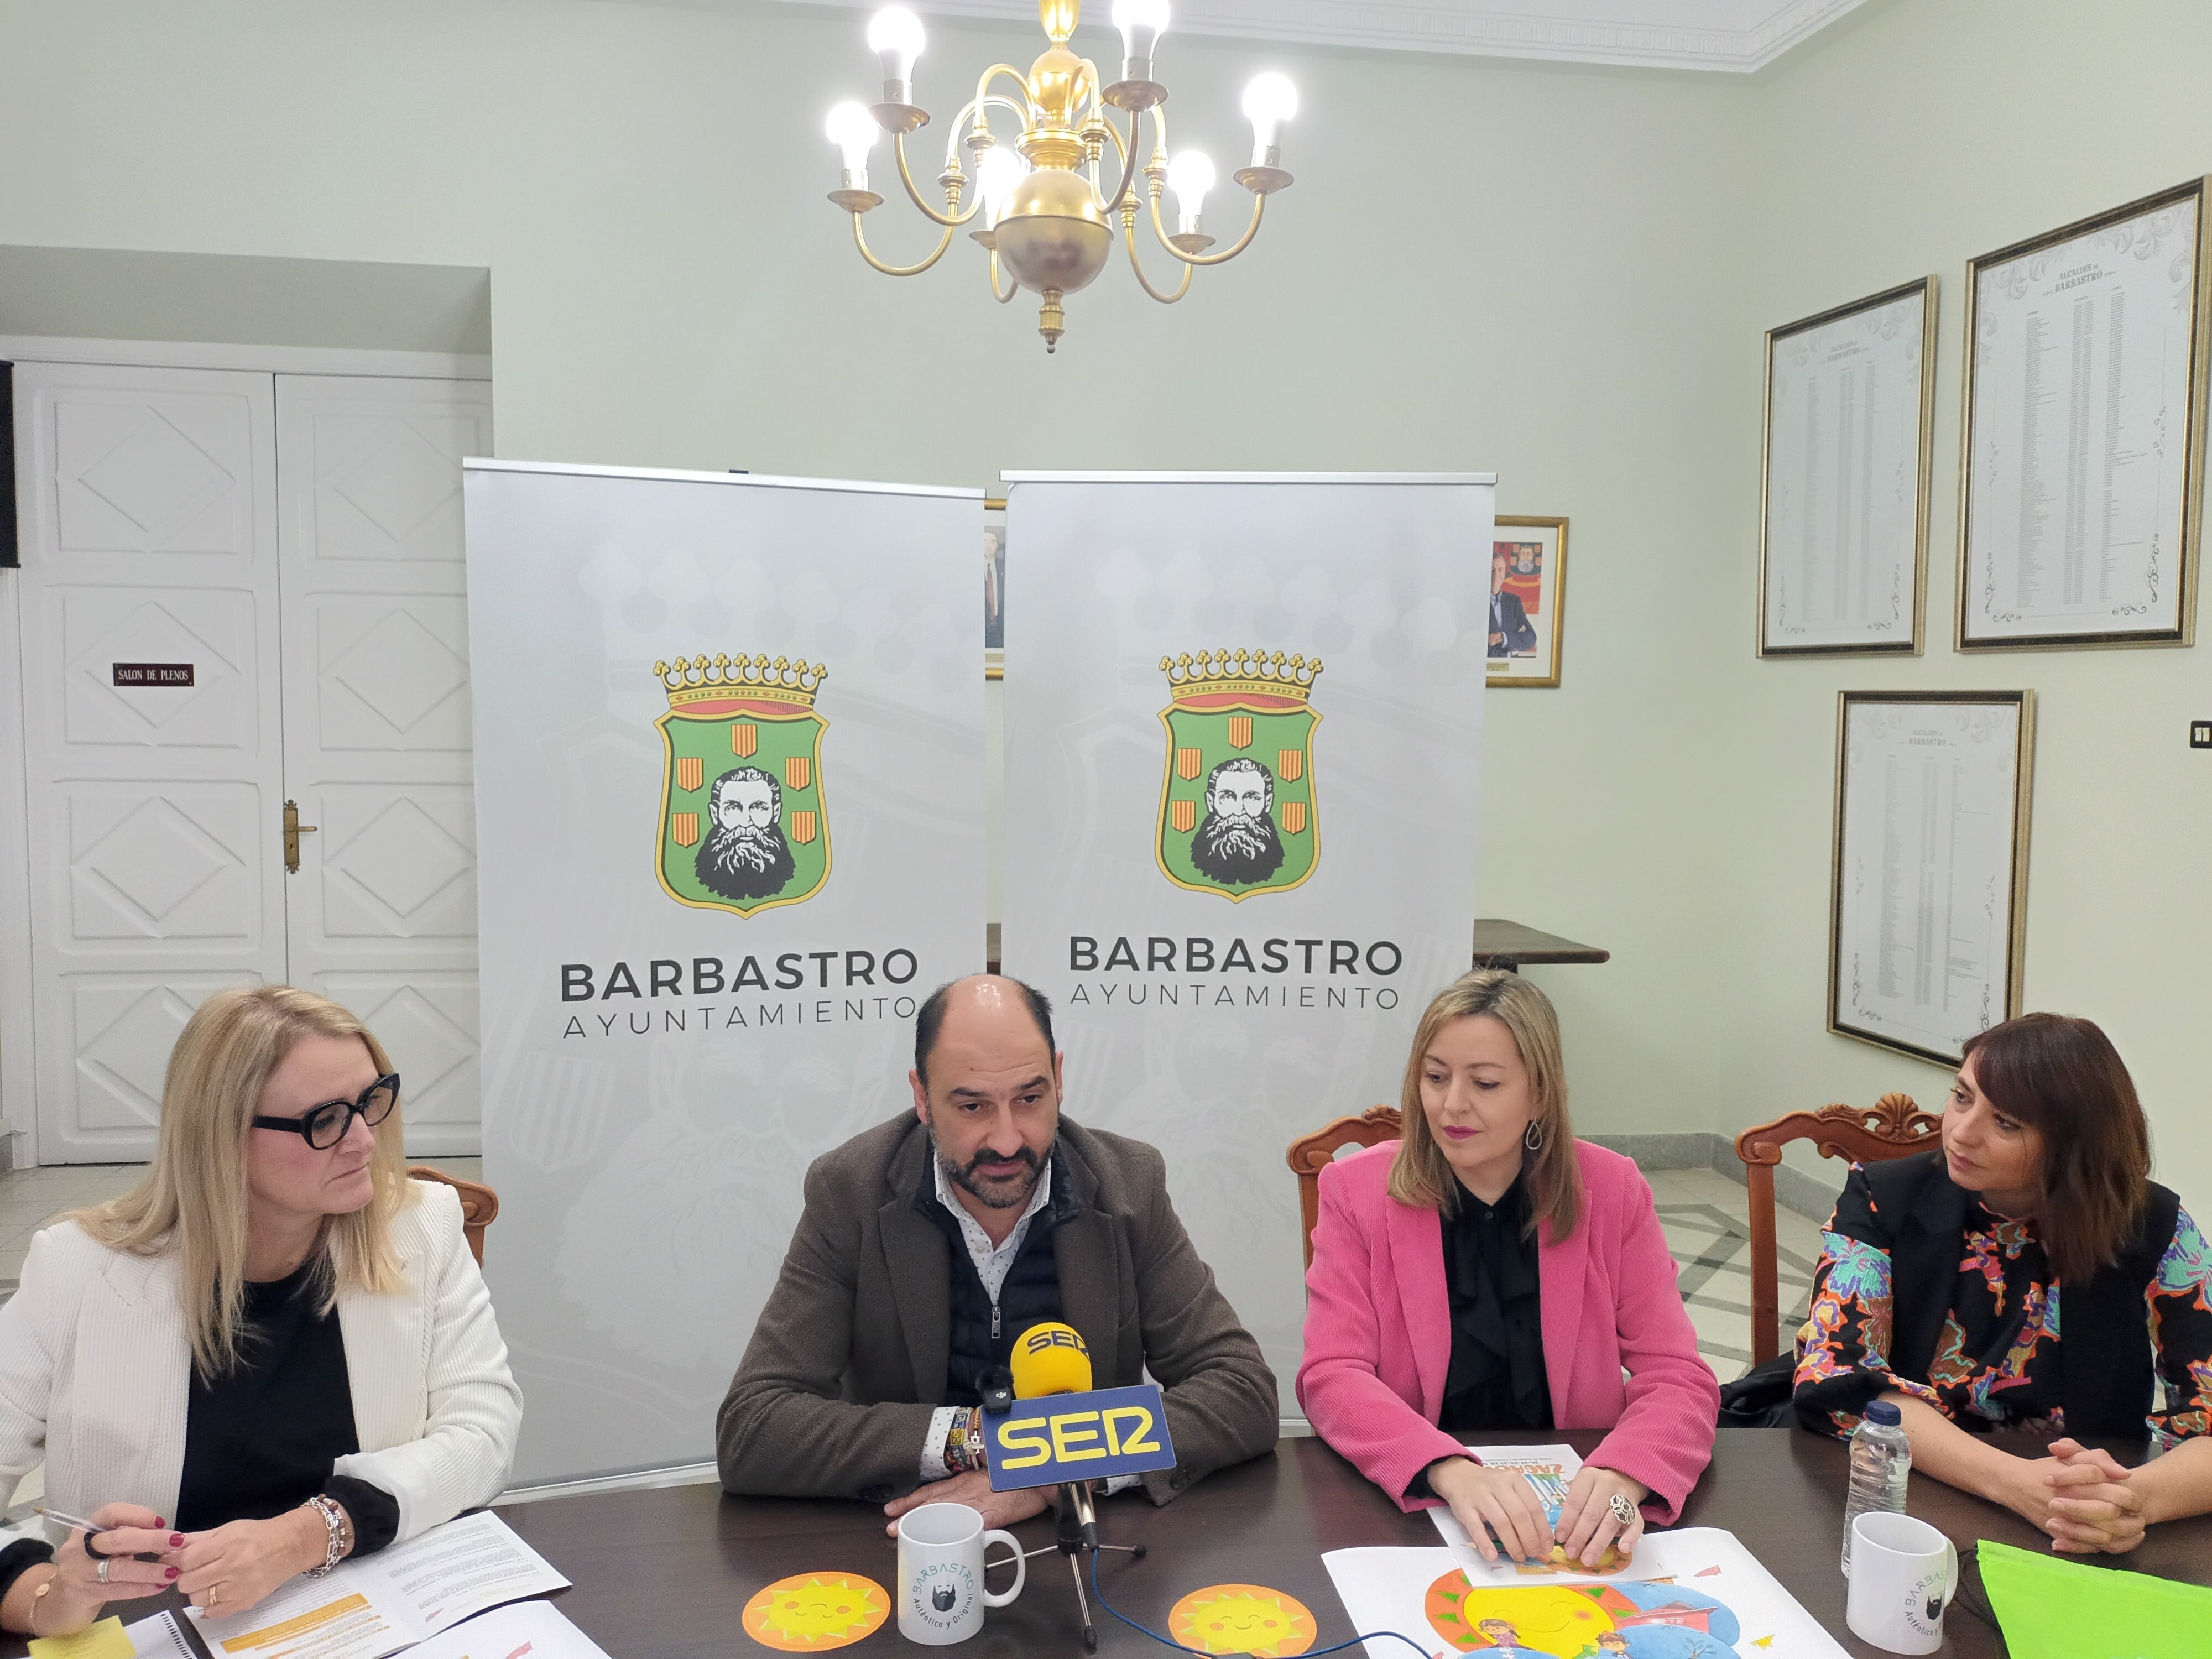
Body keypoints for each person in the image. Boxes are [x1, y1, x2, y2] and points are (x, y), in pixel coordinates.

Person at [0, 987, 522, 1636]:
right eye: (326, 1119)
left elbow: (484, 1434)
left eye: (371, 1101)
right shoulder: (77, 1269)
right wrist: (49, 1597)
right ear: (220, 1137)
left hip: (378, 1613)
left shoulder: (422, 1227)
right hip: (159, 1629)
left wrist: (307, 1536)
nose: (364, 1139)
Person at [718, 974, 1279, 1532]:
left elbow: (1242, 1391)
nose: (1008, 1139)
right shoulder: (850, 1192)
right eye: (972, 1107)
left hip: (1089, 1546)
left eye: (1030, 1099)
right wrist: (978, 1440)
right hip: (911, 1542)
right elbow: (755, 1427)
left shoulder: (1129, 1185)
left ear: (1059, 1078)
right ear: (921, 1097)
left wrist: (1047, 1474)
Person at [1298, 971, 1718, 1568]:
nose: (1451, 1106)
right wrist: (1445, 1470)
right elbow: (1332, 1376)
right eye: (1435, 1077)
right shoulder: (1356, 1189)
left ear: (1540, 1094)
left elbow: (1677, 1374)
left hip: (1571, 1516)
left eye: (1485, 1083)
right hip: (1420, 1509)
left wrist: (1628, 1474)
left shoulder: (1612, 1188)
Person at [1794, 1012, 2212, 1554]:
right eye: (1962, 1097)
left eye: (2007, 1123)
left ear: (2073, 1143)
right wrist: (2014, 1484)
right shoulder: (1882, 1197)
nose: (1961, 1132)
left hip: (2075, 1521)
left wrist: (2131, 1502)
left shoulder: (2152, 1226)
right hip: (1908, 1499)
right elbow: (1836, 1375)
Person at [1489, 545, 1536, 657]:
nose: (1496, 574)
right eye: (1492, 570)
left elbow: (1531, 638)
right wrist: (1513, 639)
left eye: (1500, 570)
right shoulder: (1476, 602)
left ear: (1505, 573)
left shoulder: (1514, 601)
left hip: (1513, 668)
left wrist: (1500, 637)